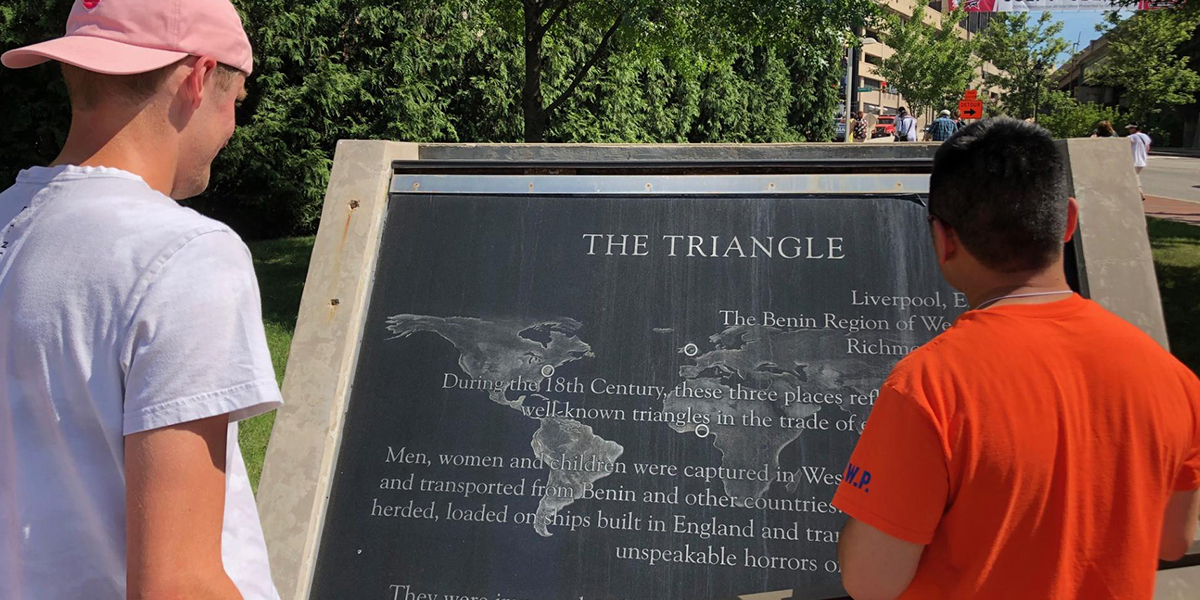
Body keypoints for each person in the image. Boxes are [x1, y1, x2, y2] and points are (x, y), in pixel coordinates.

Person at [834, 118, 1200, 600]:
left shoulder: (929, 386)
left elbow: (870, 581)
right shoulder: (1174, 379)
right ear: (1067, 221)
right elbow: (1172, 539)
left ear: (943, 240)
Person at [0, 1, 281, 599]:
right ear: (200, 77)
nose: (232, 125)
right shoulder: (185, 254)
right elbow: (178, 586)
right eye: (237, 99)